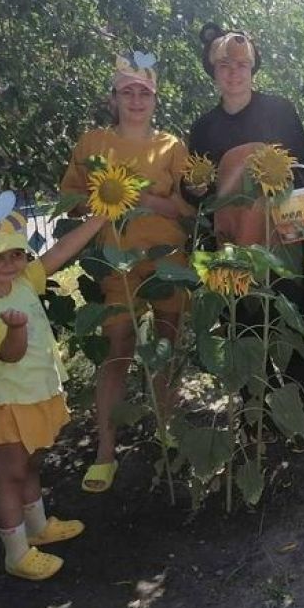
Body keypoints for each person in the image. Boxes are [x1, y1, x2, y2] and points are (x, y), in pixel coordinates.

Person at [60, 53, 193, 493]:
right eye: (127, 91)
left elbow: (189, 208)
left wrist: (144, 199)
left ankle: (165, 432)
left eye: (145, 92)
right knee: (118, 346)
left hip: (168, 260)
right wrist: (103, 199)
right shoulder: (93, 144)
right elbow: (71, 199)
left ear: (155, 99)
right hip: (116, 260)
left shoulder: (172, 146)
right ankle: (105, 451)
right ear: (113, 98)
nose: (136, 100)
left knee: (166, 344)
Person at [185, 25, 304, 417]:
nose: (234, 72)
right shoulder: (203, 128)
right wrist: (196, 190)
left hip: (283, 237)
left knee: (290, 320)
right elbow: (193, 190)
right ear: (212, 70)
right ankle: (254, 413)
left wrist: (299, 214)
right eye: (225, 64)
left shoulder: (279, 111)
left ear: (254, 68)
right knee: (241, 326)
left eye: (242, 64)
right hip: (230, 245)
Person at [0, 194, 106, 579]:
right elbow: (8, 356)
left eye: (16, 254)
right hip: (10, 403)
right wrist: (16, 328)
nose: (8, 263)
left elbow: (60, 252)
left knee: (33, 463)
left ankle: (38, 528)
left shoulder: (24, 281)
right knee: (11, 475)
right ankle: (16, 553)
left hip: (39, 392)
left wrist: (98, 220)